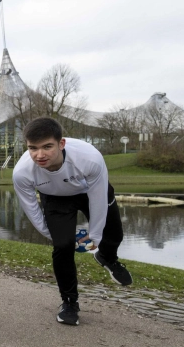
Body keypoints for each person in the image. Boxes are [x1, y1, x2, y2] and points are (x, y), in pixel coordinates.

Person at [12, 117, 132, 326]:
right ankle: (69, 303)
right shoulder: (22, 172)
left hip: (89, 191)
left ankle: (107, 258)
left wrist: (94, 237)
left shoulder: (90, 158)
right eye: (33, 148)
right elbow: (32, 209)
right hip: (55, 197)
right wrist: (53, 235)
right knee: (62, 246)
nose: (39, 155)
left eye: (47, 147)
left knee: (113, 234)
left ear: (61, 144)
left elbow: (97, 200)